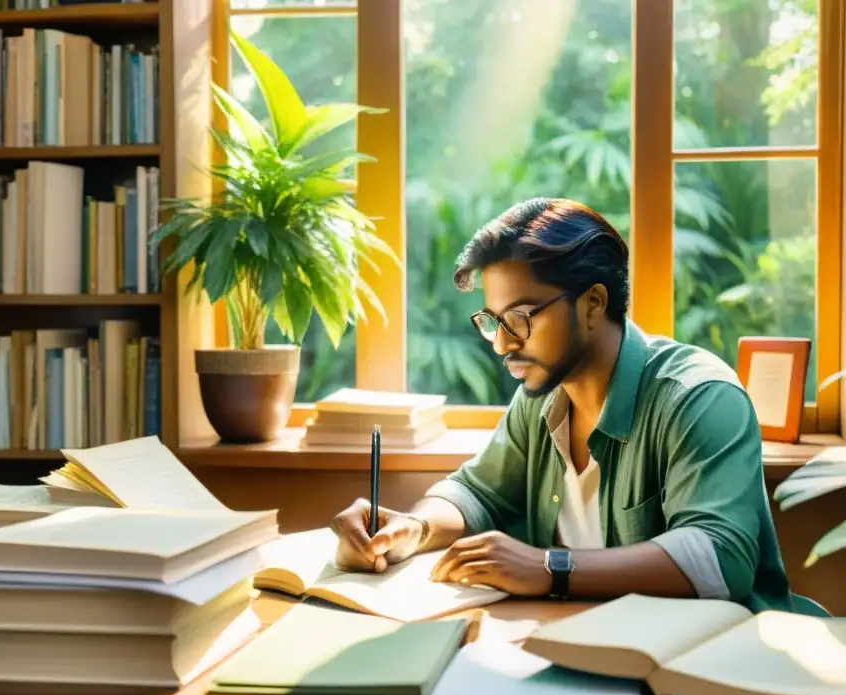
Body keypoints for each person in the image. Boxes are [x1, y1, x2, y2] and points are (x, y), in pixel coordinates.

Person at [331, 197, 803, 614]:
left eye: (519, 319)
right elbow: (478, 492)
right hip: (580, 650)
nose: (501, 344)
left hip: (706, 674)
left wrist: (551, 568)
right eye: (493, 321)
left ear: (594, 303)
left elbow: (720, 558)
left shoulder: (699, 397)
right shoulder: (541, 399)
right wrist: (413, 528)